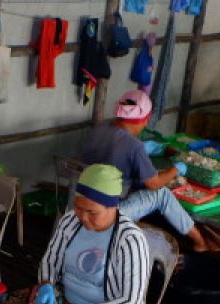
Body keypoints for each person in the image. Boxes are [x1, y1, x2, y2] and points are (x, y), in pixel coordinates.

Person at [35, 165, 151, 304]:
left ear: (112, 207)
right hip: (66, 297)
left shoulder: (130, 240)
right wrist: (46, 284)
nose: (83, 217)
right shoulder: (70, 221)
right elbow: (51, 260)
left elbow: (132, 301)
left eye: (92, 212)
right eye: (79, 207)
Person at [80, 89, 211, 252]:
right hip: (108, 213)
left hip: (82, 203)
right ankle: (200, 241)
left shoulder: (101, 127)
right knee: (161, 194)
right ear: (144, 119)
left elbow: (112, 155)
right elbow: (154, 184)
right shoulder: (133, 146)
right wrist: (175, 169)